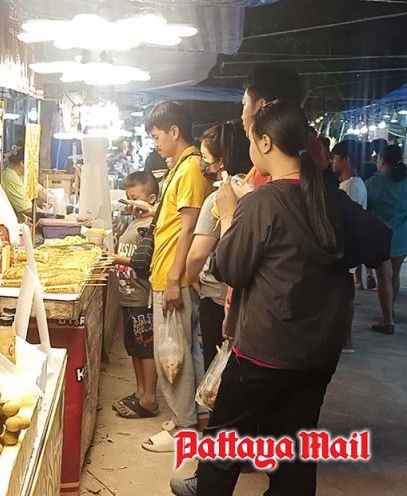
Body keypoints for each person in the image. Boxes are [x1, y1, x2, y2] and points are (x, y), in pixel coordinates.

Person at [170, 100, 390, 496]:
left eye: (251, 139)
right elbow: (379, 244)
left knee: (223, 448)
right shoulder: (330, 197)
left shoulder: (261, 202)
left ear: (266, 142)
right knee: (294, 448)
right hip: (319, 351)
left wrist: (229, 214)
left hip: (264, 350)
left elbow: (230, 269)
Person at [140, 101, 210, 453]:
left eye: (157, 136)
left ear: (174, 131)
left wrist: (172, 278)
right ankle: (193, 420)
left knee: (172, 355)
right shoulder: (182, 167)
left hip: (174, 277)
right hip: (172, 273)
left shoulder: (191, 168)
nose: (155, 144)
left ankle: (185, 429)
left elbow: (189, 228)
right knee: (185, 351)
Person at [186, 121, 251, 370]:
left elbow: (197, 254)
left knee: (216, 372)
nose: (203, 165)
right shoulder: (256, 191)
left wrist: (192, 276)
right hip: (250, 302)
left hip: (217, 299)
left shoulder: (219, 198)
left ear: (221, 161)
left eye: (205, 158)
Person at [111, 172, 160, 419]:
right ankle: (140, 392)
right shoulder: (133, 222)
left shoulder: (152, 226)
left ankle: (149, 398)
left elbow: (146, 263)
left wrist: (116, 259)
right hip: (128, 296)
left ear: (151, 199)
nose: (131, 203)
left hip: (142, 298)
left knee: (145, 349)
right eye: (128, 198)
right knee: (134, 348)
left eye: (135, 198)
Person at [366, 144, 407, 335]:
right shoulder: (405, 181)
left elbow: (365, 208)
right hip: (402, 236)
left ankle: (387, 320)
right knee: (394, 276)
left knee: (383, 277)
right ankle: (389, 310)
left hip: (381, 237)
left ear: (381, 159)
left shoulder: (373, 182)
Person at [331, 140, 368, 351]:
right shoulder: (355, 184)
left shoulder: (351, 186)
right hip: (348, 248)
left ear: (346, 160)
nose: (332, 163)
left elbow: (347, 220)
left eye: (335, 159)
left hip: (345, 248)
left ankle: (345, 340)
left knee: (345, 296)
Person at [0, 143, 46, 222]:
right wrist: (51, 216)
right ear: (22, 163)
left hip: (25, 223)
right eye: (32, 163)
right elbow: (27, 210)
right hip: (15, 225)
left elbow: (40, 192)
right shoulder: (10, 177)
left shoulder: (23, 175)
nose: (35, 166)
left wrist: (57, 200)